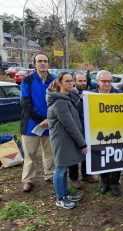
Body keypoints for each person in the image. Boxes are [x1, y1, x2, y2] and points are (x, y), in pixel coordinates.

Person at [46, 72, 87, 209]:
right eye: (67, 81)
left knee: (63, 168)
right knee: (60, 169)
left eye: (71, 81)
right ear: (60, 83)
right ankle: (60, 198)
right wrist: (82, 143)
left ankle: (65, 193)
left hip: (66, 139)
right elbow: (70, 125)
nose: (71, 83)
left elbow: (75, 114)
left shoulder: (66, 98)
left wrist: (81, 100)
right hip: (61, 140)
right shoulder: (59, 103)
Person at [20, 52, 55, 192]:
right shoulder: (27, 80)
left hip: (50, 123)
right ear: (34, 63)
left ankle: (50, 174)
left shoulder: (53, 80)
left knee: (50, 153)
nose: (42, 63)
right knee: (30, 155)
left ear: (48, 63)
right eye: (39, 61)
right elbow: (25, 103)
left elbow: (58, 99)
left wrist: (50, 119)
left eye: (45, 61)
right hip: (31, 125)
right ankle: (27, 180)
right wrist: (41, 120)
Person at [91, 70, 123, 196]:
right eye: (104, 81)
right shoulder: (89, 95)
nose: (107, 84)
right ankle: (104, 183)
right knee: (101, 157)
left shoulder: (120, 94)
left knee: (116, 157)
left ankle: (115, 183)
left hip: (116, 132)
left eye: (109, 81)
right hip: (97, 133)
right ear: (98, 82)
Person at [68, 73, 97, 189]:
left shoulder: (91, 93)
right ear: (75, 82)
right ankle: (74, 178)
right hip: (76, 128)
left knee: (87, 152)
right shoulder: (70, 94)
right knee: (74, 153)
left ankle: (86, 175)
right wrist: (80, 100)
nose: (83, 83)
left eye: (85, 81)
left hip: (88, 128)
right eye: (80, 81)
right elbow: (73, 111)